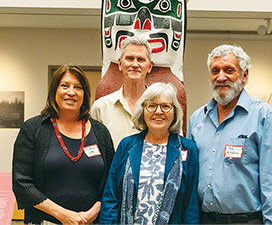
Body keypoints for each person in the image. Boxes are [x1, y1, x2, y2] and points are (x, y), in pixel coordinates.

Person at [187, 44, 272, 224]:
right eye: (215, 70)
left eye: (229, 70)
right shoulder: (197, 119)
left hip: (246, 220)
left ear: (244, 75)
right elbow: (189, 177)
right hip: (204, 220)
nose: (221, 77)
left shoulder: (263, 116)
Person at [12, 64, 115, 224]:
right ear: (54, 91)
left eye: (78, 87)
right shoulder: (33, 129)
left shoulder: (100, 132)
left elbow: (112, 181)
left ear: (85, 94)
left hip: (91, 222)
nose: (71, 92)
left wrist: (92, 214)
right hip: (46, 222)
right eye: (65, 86)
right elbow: (22, 183)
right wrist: (64, 215)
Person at [99, 82, 200, 224]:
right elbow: (111, 197)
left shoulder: (188, 149)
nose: (158, 111)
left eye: (165, 106)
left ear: (175, 112)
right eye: (151, 106)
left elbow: (191, 205)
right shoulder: (126, 146)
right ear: (143, 111)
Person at [91, 37, 153, 149]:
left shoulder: (162, 108)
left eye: (140, 59)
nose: (135, 64)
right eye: (129, 58)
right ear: (120, 64)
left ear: (150, 66)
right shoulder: (101, 107)